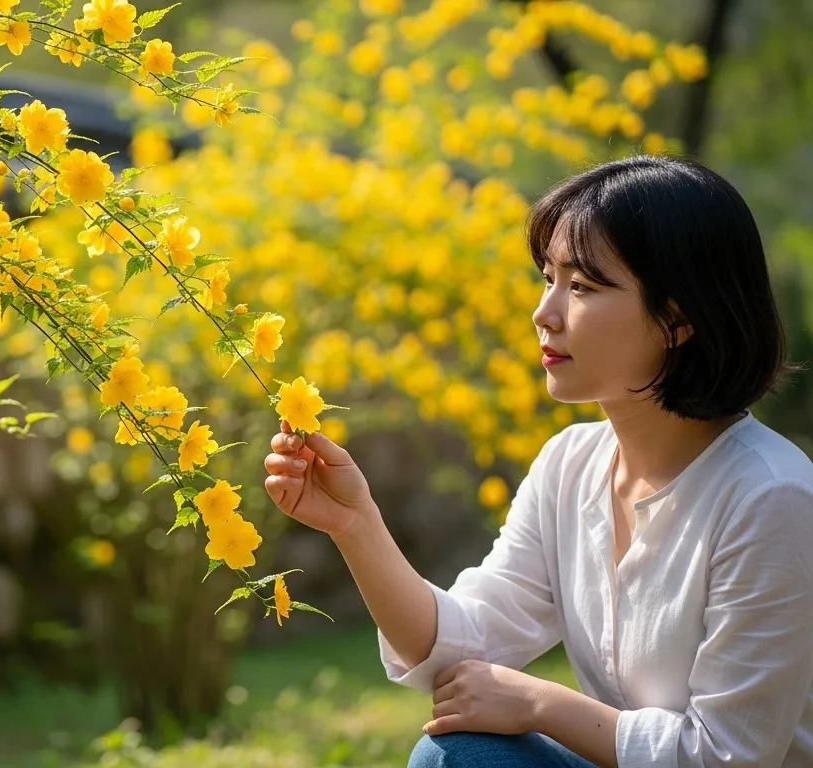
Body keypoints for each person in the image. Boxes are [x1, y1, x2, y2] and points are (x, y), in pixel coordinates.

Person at [264, 154, 813, 768]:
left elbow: (729, 756)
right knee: (456, 753)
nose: (544, 313)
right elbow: (459, 647)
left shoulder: (771, 498)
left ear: (677, 319)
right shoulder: (569, 465)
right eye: (547, 278)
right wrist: (355, 522)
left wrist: (541, 704)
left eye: (581, 286)